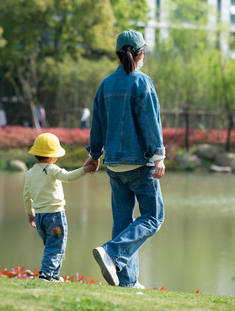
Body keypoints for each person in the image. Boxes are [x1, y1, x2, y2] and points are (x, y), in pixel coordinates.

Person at [84, 30, 165, 289]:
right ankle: (112, 253)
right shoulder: (142, 82)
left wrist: (94, 155)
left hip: (114, 165)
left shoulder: (106, 84)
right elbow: (150, 122)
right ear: (140, 54)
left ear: (119, 55)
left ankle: (127, 282)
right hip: (140, 164)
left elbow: (97, 124)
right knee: (153, 217)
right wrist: (159, 155)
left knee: (122, 221)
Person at [23, 133, 95, 282]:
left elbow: (26, 196)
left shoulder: (29, 173)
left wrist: (30, 214)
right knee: (56, 246)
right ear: (53, 156)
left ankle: (54, 275)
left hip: (40, 217)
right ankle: (46, 274)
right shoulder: (52, 169)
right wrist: (85, 169)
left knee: (51, 245)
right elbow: (68, 177)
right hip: (55, 216)